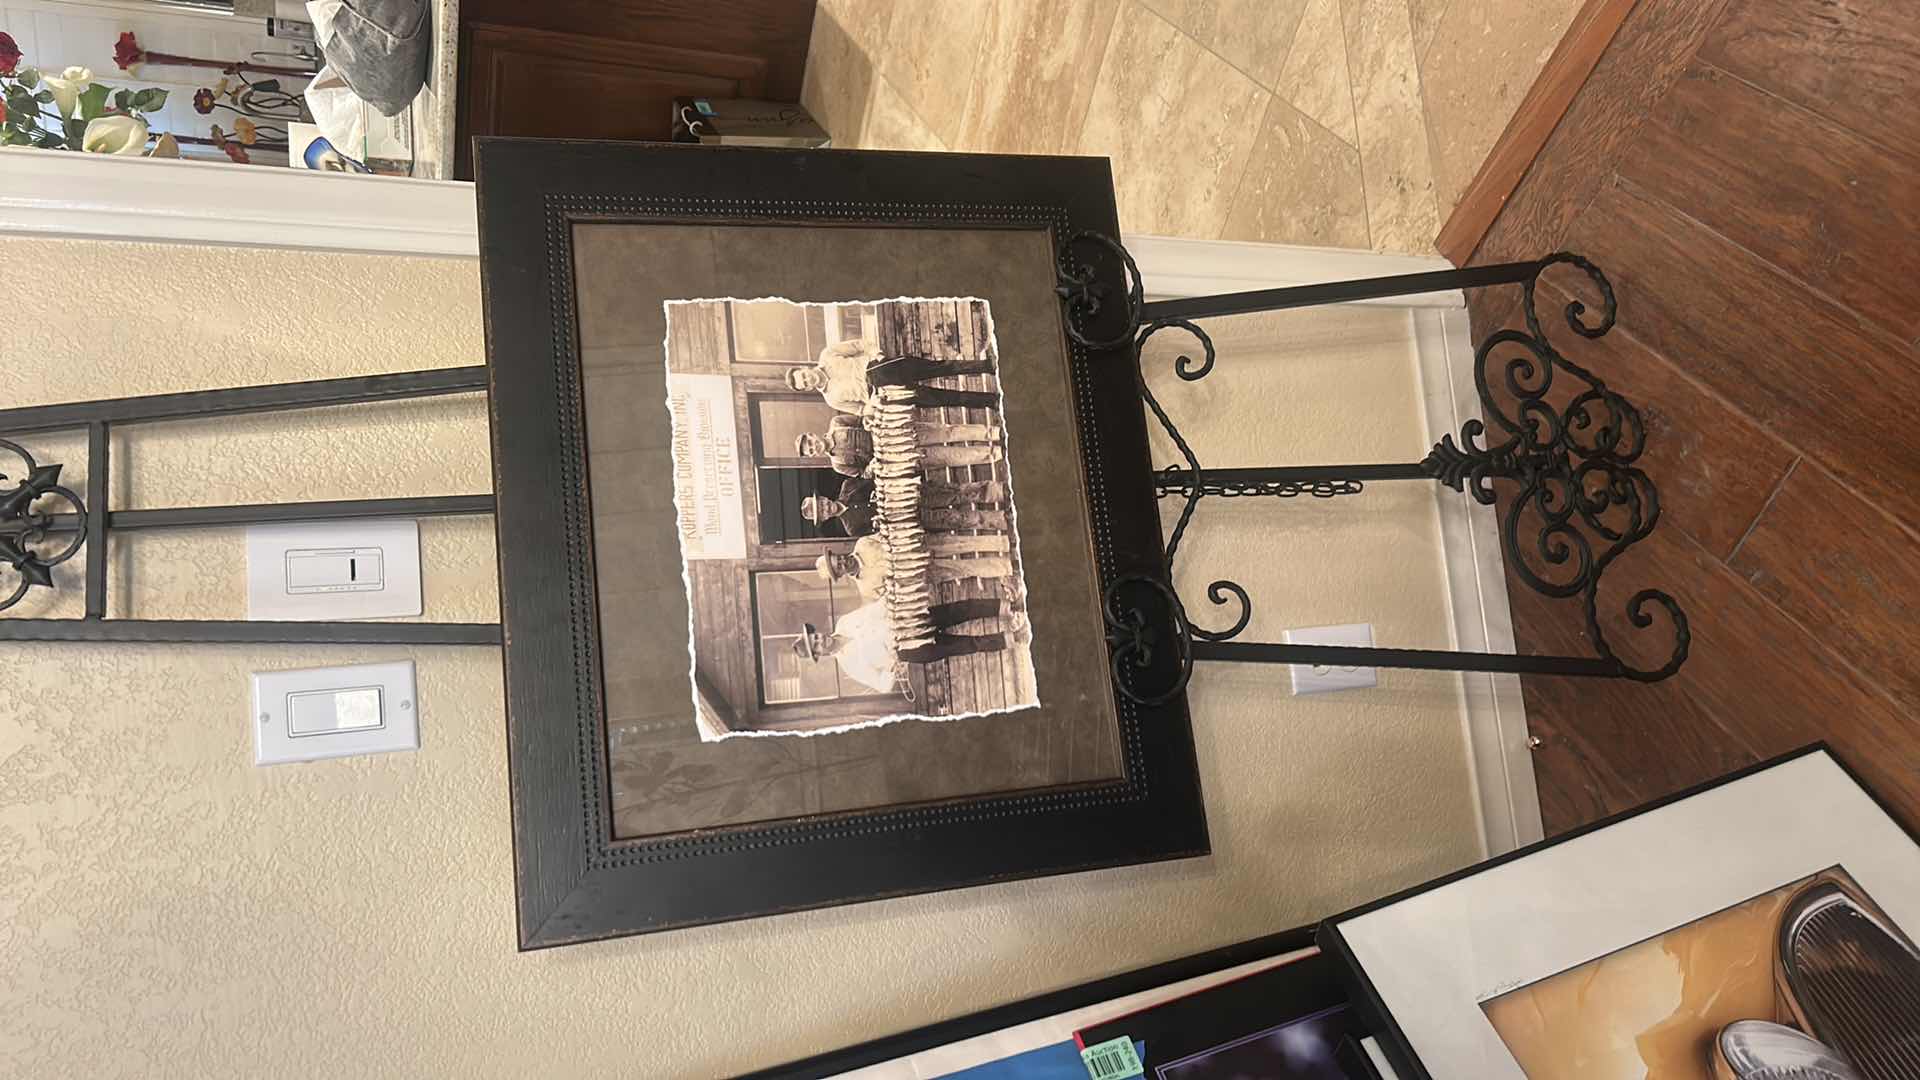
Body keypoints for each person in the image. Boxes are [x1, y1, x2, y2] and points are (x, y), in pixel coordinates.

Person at [792, 598, 1022, 693]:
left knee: (957, 610)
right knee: (965, 645)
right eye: (817, 645)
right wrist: (893, 664)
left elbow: (875, 609)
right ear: (819, 654)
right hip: (910, 651)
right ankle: (1013, 637)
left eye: (816, 636)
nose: (821, 639)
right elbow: (881, 685)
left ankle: (1006, 607)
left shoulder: (845, 623)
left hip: (907, 621)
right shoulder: (848, 666)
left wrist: (890, 598)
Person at [787, 340, 1000, 414]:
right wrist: (870, 406)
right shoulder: (830, 399)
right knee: (941, 399)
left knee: (939, 367)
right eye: (804, 384)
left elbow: (859, 345)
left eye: (804, 376)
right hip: (883, 394)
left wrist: (877, 355)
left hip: (880, 369)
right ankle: (990, 401)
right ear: (806, 389)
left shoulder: (827, 354)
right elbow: (860, 410)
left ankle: (986, 365)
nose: (808, 380)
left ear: (805, 368)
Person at [818, 534, 1011, 602]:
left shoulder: (862, 544)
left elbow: (887, 534)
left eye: (839, 558)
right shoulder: (865, 588)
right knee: (964, 569)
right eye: (839, 567)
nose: (843, 562)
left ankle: (1004, 543)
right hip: (921, 572)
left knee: (962, 543)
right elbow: (894, 593)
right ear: (840, 574)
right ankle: (1007, 566)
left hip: (919, 545)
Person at [798, 420, 1004, 475]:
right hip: (898, 457)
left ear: (812, 435)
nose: (813, 447)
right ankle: (994, 453)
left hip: (898, 432)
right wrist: (872, 466)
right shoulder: (838, 464)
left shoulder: (838, 423)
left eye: (810, 442)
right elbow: (864, 474)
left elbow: (864, 418)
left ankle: (992, 433)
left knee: (948, 432)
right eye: (810, 451)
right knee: (948, 457)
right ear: (811, 456)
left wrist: (870, 422)